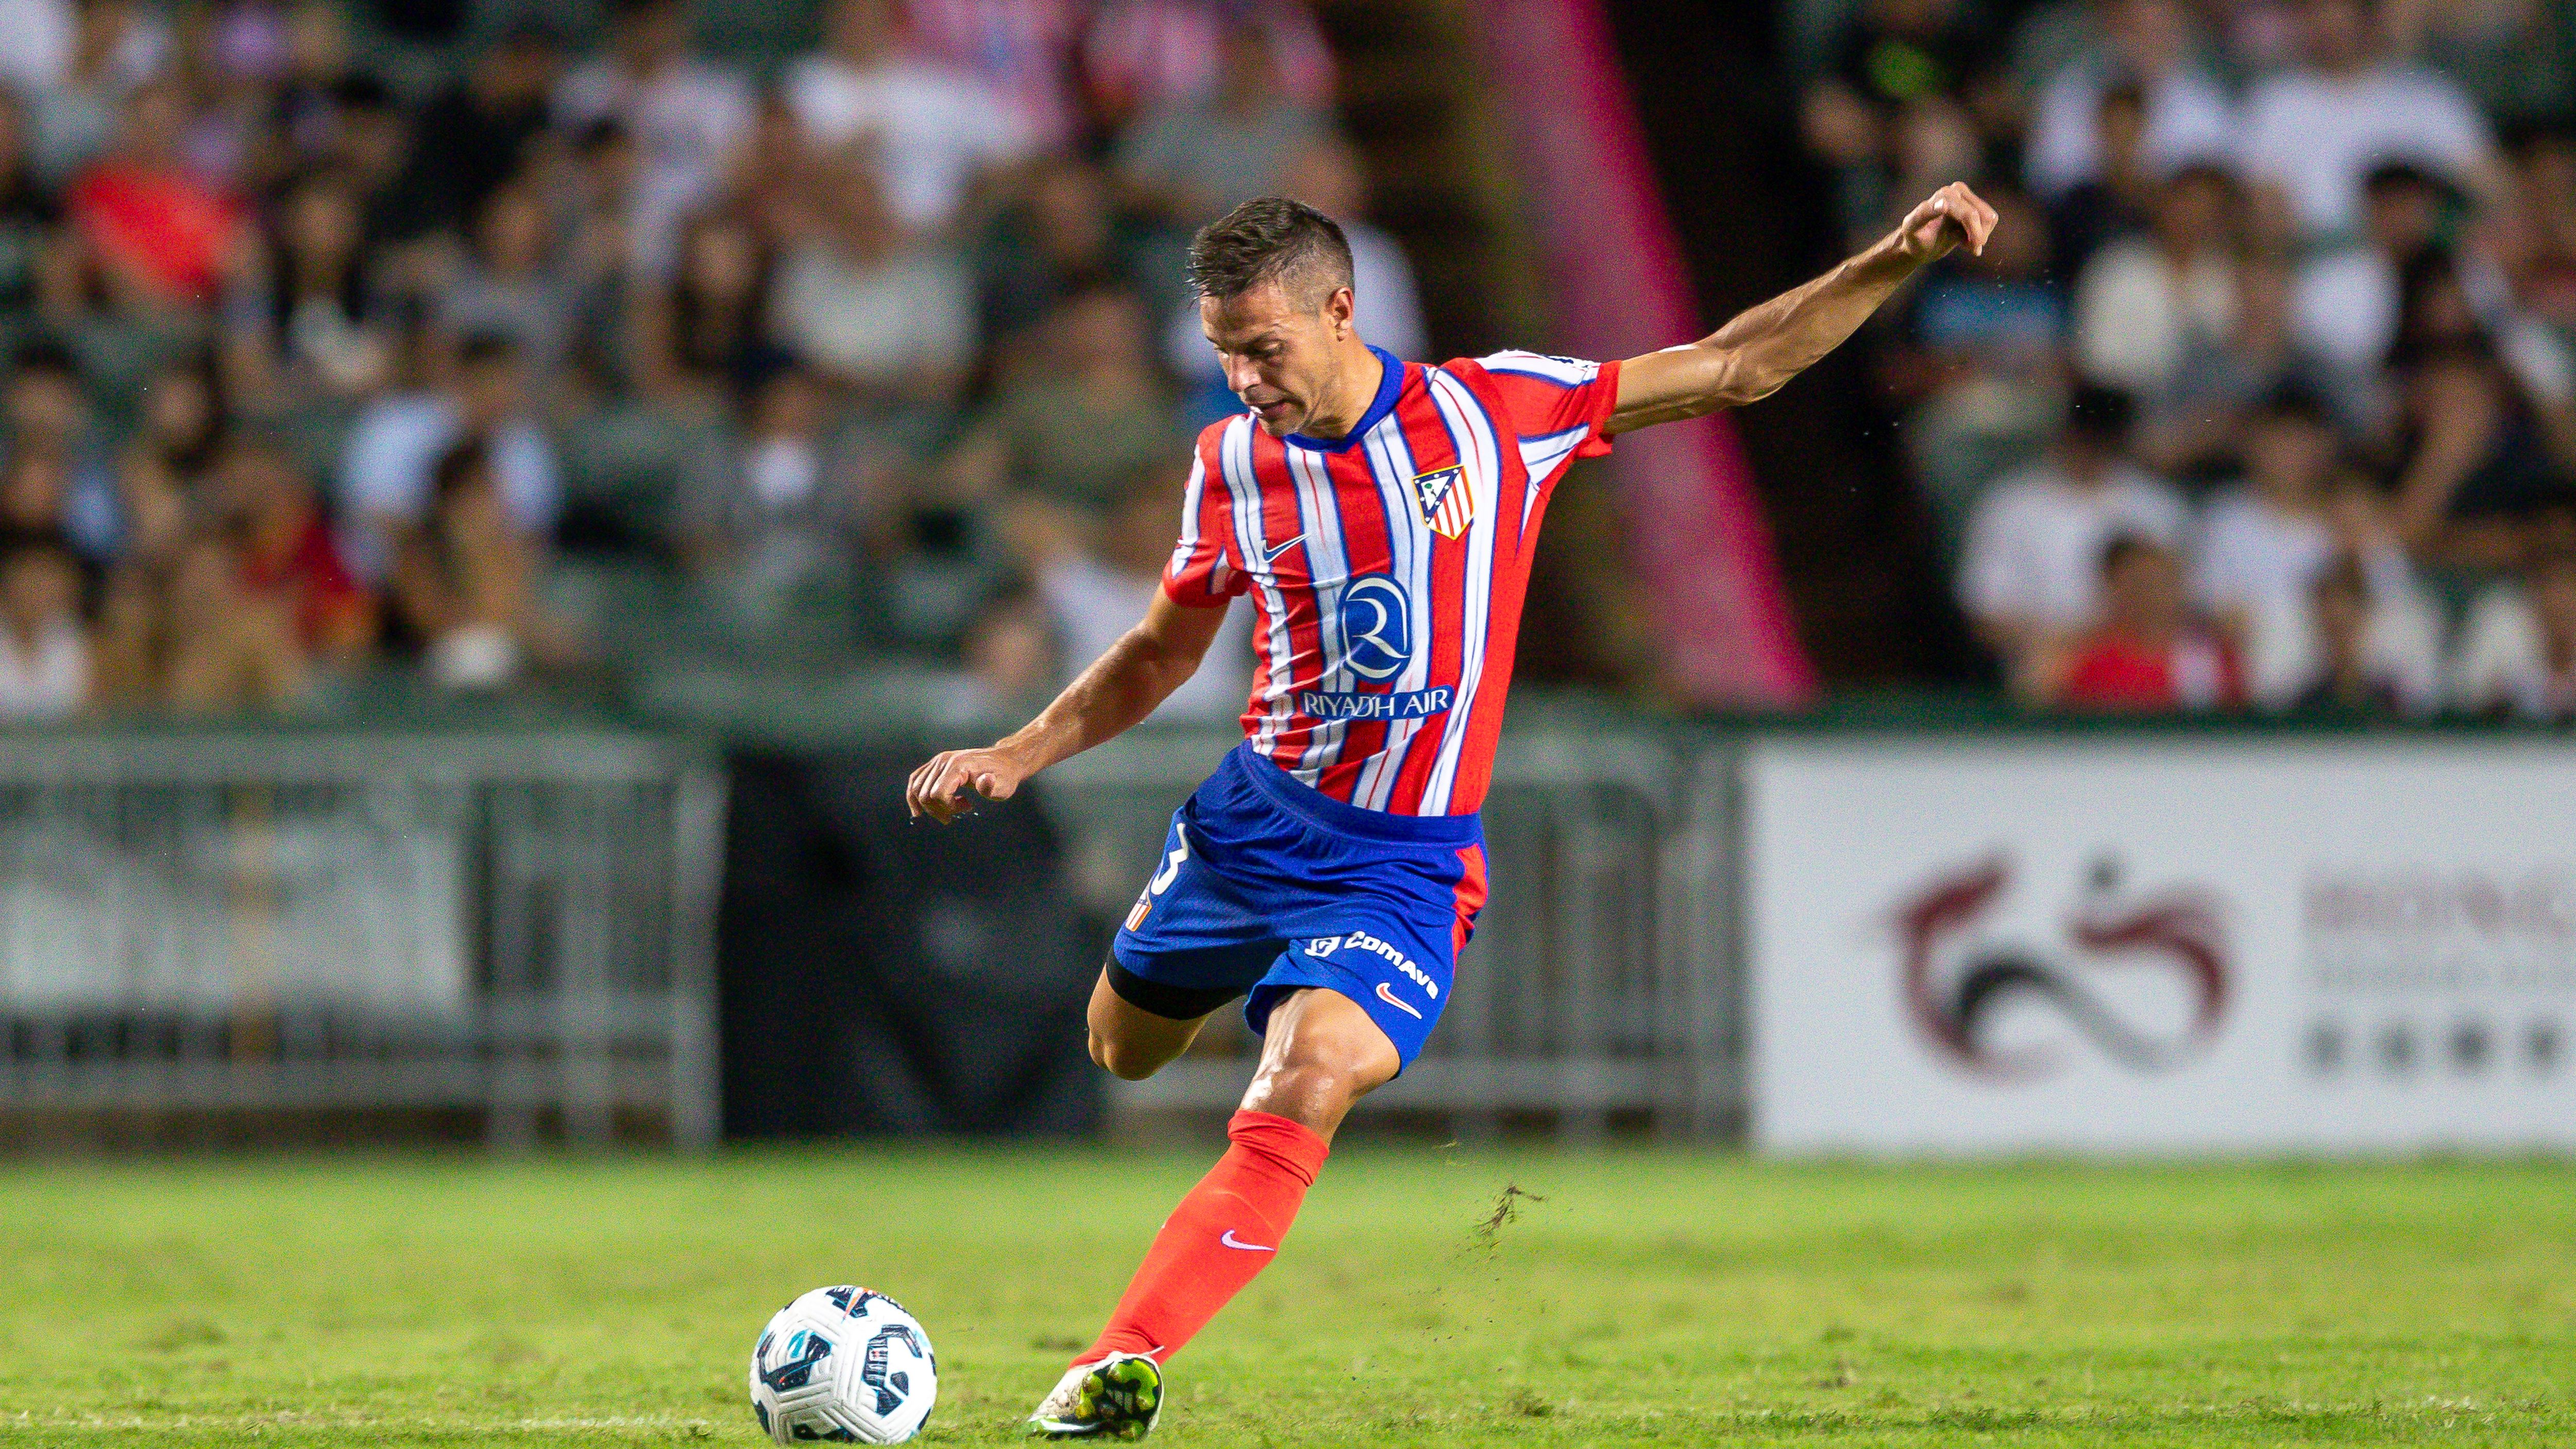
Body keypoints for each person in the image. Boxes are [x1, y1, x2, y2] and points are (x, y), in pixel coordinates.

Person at [905, 181, 2003, 1438]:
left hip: (1403, 864)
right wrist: (1017, 749)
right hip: (1248, 828)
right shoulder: (1230, 463)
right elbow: (1161, 649)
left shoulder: (1495, 412)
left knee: (1306, 1074)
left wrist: (1890, 258)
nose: (1246, 379)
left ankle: (1120, 1361)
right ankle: (1238, 1003)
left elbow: (1736, 367)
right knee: (1120, 1045)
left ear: (1340, 308)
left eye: (1263, 349)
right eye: (1222, 354)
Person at [2048, 532, 2245, 710]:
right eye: (2143, 584)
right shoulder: (2095, 658)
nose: (2154, 595)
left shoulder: (2210, 654)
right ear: (2119, 591)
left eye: (2163, 583)